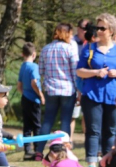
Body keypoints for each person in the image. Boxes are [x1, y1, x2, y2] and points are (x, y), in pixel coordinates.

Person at [77, 13, 116, 167]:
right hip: (92, 95)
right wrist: (95, 72)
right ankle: (92, 163)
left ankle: (107, 163)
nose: (99, 31)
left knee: (111, 130)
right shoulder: (89, 48)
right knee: (93, 130)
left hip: (114, 97)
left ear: (112, 31)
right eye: (97, 27)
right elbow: (79, 71)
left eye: (102, 28)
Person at [37, 23, 79, 157]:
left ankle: (39, 151)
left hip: (51, 89)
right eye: (71, 34)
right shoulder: (69, 49)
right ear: (66, 34)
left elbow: (41, 71)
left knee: (47, 121)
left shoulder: (45, 49)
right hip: (67, 89)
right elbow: (75, 72)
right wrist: (78, 90)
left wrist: (45, 85)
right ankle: (65, 150)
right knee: (65, 121)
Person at [17, 42, 45, 161]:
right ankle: (38, 151)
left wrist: (24, 94)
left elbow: (19, 86)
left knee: (27, 127)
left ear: (23, 54)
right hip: (34, 100)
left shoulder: (23, 66)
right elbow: (34, 82)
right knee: (37, 126)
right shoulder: (34, 67)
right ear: (34, 54)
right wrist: (41, 95)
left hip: (25, 99)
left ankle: (27, 151)